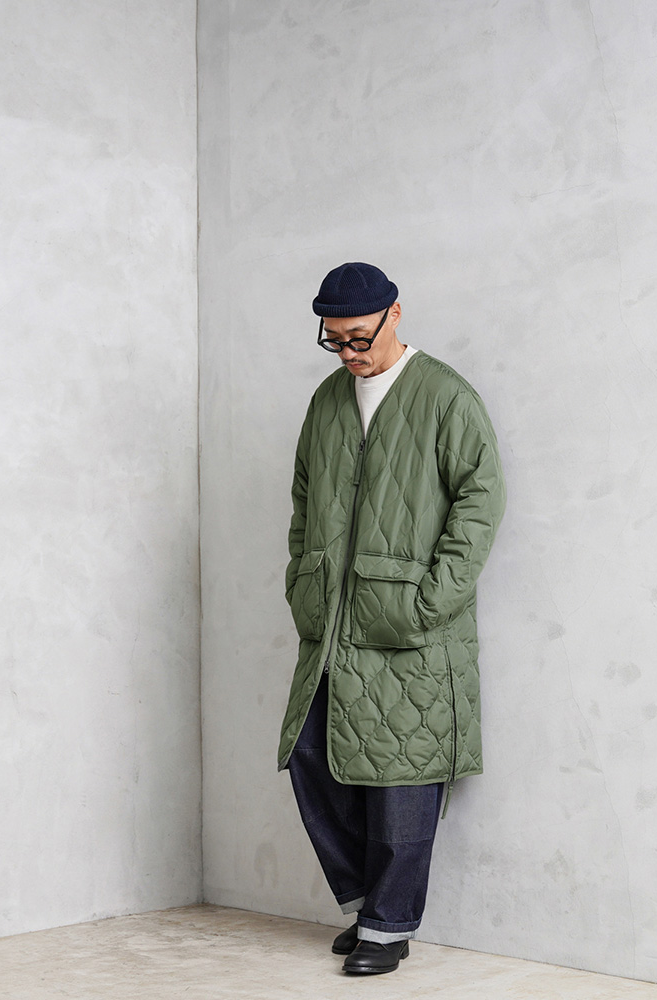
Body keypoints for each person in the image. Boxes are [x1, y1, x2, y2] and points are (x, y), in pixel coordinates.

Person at [278, 262, 506, 975]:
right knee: (311, 755)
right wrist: (302, 581)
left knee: (403, 776)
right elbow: (303, 499)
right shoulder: (327, 400)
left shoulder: (445, 396)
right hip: (333, 624)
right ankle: (365, 903)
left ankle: (389, 926)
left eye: (359, 337)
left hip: (411, 626)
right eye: (334, 340)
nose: (348, 352)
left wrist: (431, 601)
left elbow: (481, 500)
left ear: (394, 315)